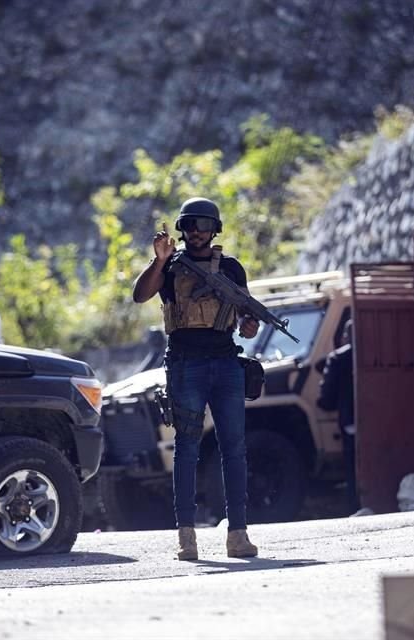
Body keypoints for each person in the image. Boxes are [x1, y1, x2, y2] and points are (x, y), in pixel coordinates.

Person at [132, 197, 260, 561]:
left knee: (234, 449)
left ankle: (238, 534)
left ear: (215, 229)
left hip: (225, 363)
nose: (197, 232)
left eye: (204, 225)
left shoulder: (231, 269)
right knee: (187, 449)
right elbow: (140, 295)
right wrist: (158, 260)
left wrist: (249, 327)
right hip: (185, 365)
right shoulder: (170, 268)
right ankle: (186, 537)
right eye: (190, 225)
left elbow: (246, 325)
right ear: (182, 228)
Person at [317, 319, 359, 514]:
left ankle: (356, 504)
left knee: (352, 466)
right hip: (380, 420)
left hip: (350, 420)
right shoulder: (374, 352)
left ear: (344, 336)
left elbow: (326, 397)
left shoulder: (337, 358)